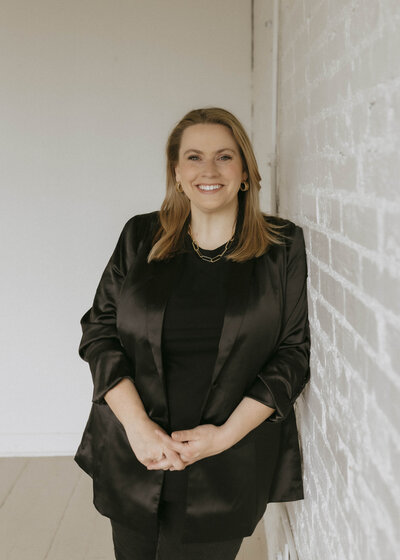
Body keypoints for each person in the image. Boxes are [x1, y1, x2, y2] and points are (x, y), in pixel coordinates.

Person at [74, 107, 311, 560]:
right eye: (194, 157)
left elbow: (292, 354)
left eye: (224, 157)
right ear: (177, 173)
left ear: (244, 173)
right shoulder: (140, 235)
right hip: (137, 449)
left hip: (229, 458)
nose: (209, 170)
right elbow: (99, 331)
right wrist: (138, 428)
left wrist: (220, 438)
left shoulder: (283, 247)